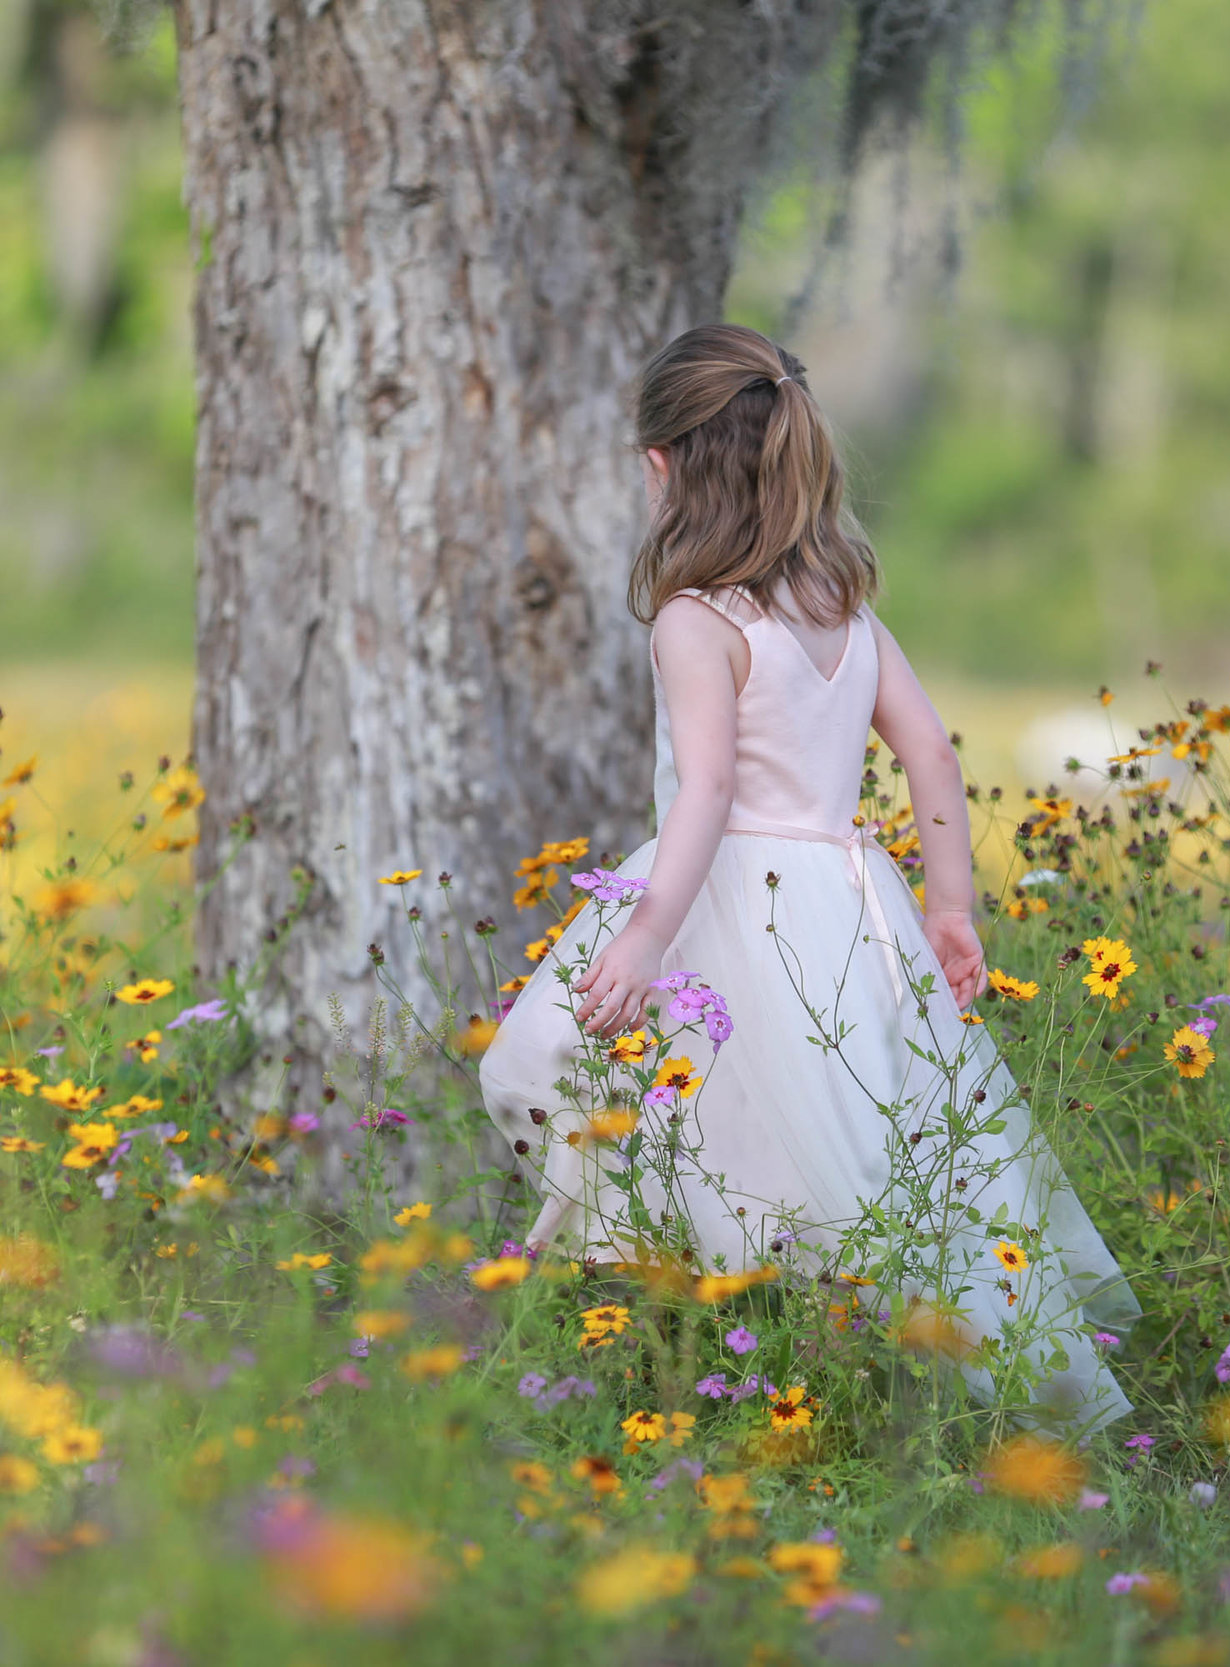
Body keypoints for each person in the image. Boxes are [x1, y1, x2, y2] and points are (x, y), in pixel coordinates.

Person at [478, 323, 1139, 1433]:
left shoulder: (699, 619)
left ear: (661, 467)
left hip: (732, 898)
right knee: (854, 1137)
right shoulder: (843, 601)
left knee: (545, 1059)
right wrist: (947, 906)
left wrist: (641, 938)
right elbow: (930, 750)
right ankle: (810, 1356)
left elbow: (705, 794)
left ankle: (736, 1340)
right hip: (851, 899)